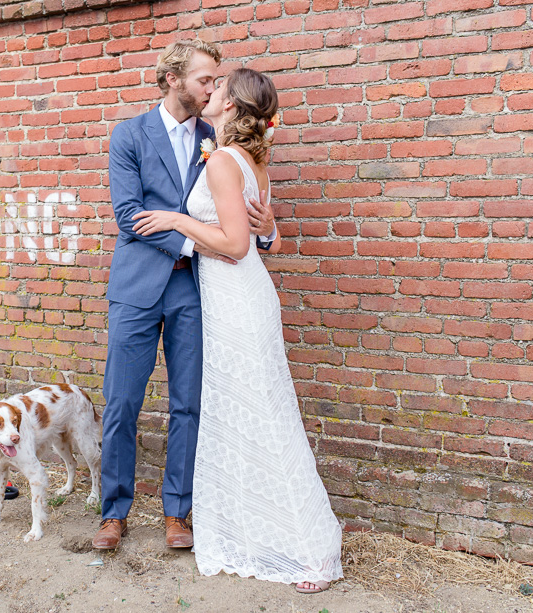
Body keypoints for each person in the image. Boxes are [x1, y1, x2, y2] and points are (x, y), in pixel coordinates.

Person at [132, 68, 344, 593]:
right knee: (247, 416)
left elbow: (235, 245)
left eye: (218, 88)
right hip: (235, 300)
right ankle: (254, 532)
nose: (210, 92)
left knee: (265, 420)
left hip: (237, 299)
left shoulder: (225, 160)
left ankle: (308, 551)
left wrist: (176, 220)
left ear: (231, 107)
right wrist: (266, 226)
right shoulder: (251, 159)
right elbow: (256, 228)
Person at [95, 41, 277, 551]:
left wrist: (264, 231)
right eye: (204, 79)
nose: (211, 88)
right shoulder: (129, 135)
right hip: (136, 287)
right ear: (173, 79)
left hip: (193, 292)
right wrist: (194, 242)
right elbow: (128, 214)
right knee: (121, 403)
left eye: (216, 81)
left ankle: (179, 511)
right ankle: (114, 512)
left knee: (188, 404)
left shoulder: (216, 139)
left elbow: (240, 208)